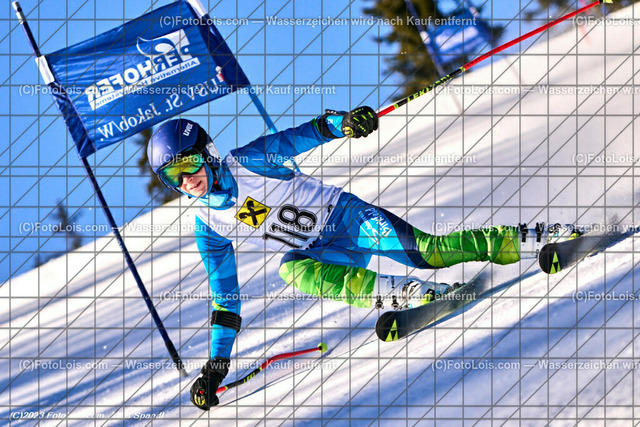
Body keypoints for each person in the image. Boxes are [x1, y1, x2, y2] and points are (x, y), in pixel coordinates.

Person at [147, 106, 552, 410]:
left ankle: (536, 237)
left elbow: (301, 136)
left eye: (190, 164)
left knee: (429, 252)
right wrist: (216, 365)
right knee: (291, 269)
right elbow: (225, 300)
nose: (187, 180)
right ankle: (414, 295)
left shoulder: (248, 161)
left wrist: (343, 123)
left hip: (349, 220)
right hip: (324, 252)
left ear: (208, 153)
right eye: (172, 177)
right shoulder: (208, 226)